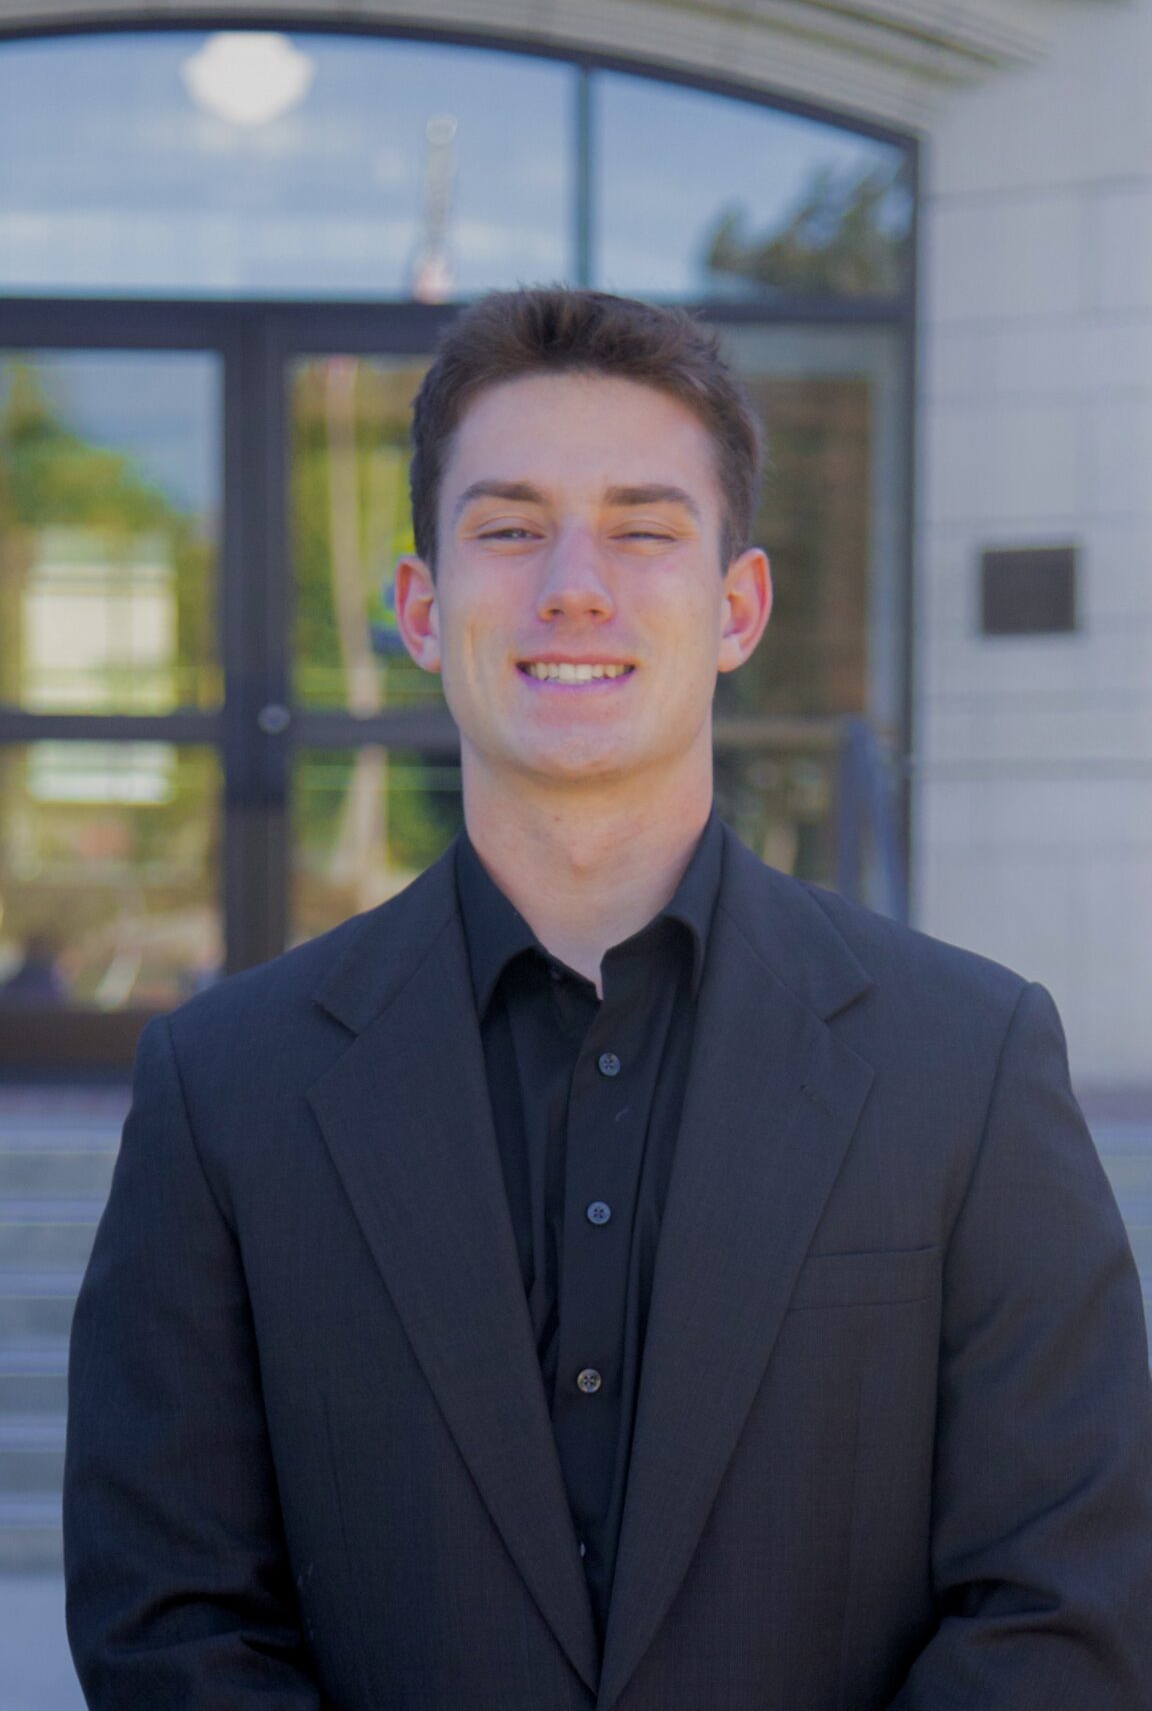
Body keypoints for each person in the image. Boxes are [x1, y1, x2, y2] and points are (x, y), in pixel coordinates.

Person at [64, 288, 1152, 1710]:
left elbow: (1068, 1605)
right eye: (509, 528)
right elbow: (170, 1623)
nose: (575, 583)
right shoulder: (224, 1089)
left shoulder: (971, 1061)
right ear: (418, 605)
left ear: (737, 607)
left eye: (644, 529)